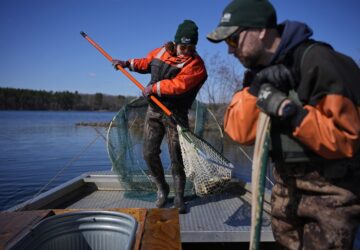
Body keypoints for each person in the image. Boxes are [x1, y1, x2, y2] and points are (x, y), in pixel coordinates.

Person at [207, 0, 360, 249]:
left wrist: (289, 112)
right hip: (285, 197)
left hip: (331, 199)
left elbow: (347, 138)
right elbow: (239, 131)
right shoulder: (258, 73)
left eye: (233, 40)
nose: (229, 51)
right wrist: (256, 89)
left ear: (261, 31)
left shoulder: (320, 62)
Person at [112, 20, 207, 214]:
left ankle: (179, 196)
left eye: (190, 47)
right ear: (175, 42)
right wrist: (127, 63)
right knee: (148, 153)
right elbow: (146, 63)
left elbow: (179, 85)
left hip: (176, 116)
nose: (185, 51)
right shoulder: (161, 52)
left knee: (176, 158)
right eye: (183, 46)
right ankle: (162, 188)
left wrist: (154, 88)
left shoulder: (196, 65)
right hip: (154, 112)